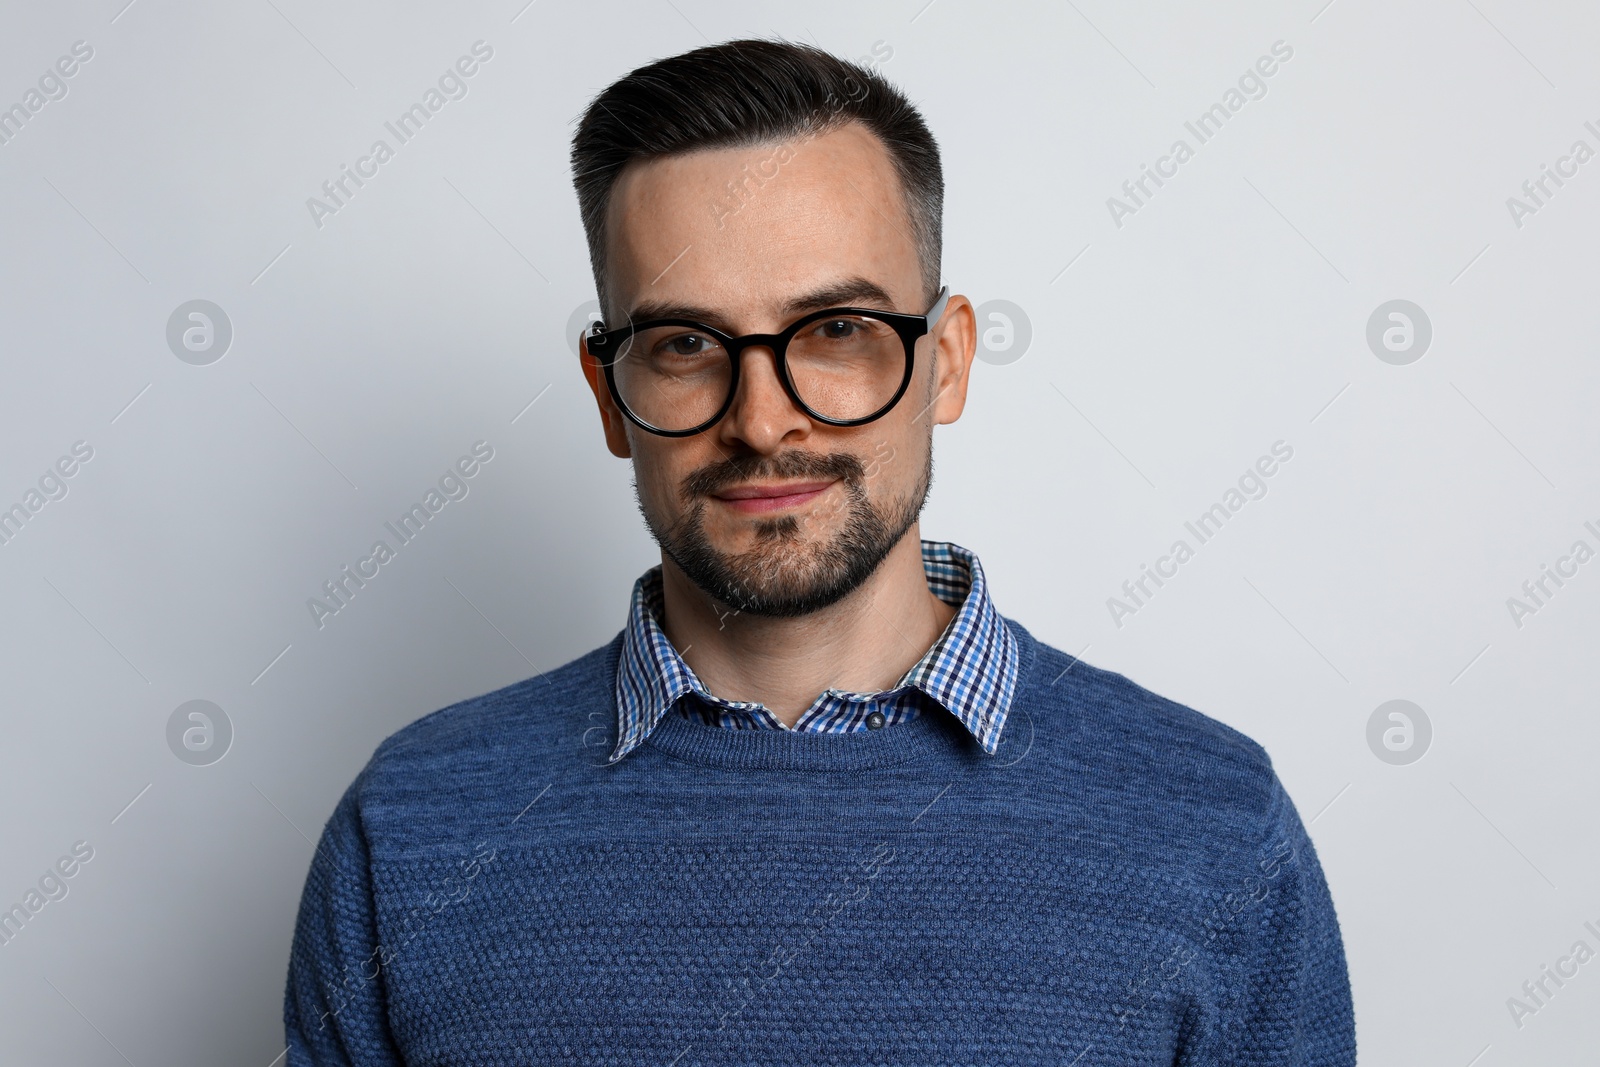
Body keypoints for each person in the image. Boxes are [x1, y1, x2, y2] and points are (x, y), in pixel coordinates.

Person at [284, 38, 1356, 1064]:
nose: (761, 420)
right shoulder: (413, 825)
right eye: (685, 344)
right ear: (610, 393)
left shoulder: (1209, 824)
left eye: (836, 330)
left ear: (945, 363)